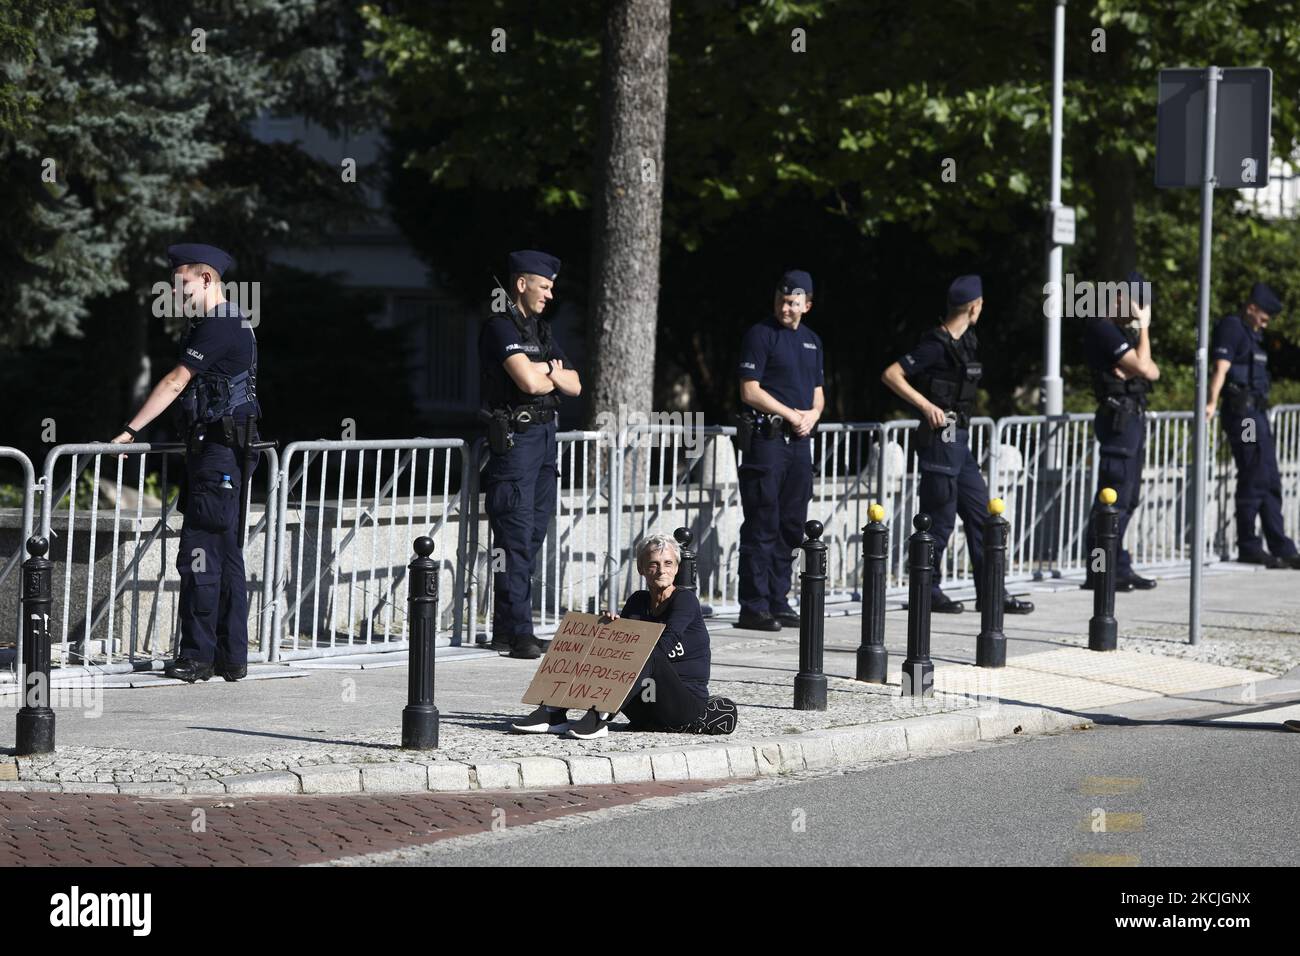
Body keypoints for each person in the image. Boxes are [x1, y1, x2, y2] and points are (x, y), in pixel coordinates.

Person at [110, 243, 260, 682]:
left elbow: (177, 381)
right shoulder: (234, 321)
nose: (176, 293)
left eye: (182, 284)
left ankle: (197, 657)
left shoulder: (219, 324)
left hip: (218, 455)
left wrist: (131, 430)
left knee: (199, 552)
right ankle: (230, 657)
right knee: (226, 553)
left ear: (207, 278)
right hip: (223, 453)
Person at [881, 274, 1034, 615]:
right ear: (974, 306)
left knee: (982, 516)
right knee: (940, 517)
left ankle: (992, 593)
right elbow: (891, 374)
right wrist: (926, 406)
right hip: (941, 433)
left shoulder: (968, 341)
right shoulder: (934, 344)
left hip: (958, 436)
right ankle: (926, 590)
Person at [510, 533, 738, 739]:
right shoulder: (638, 601)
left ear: (677, 568)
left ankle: (598, 719)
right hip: (644, 706)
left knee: (647, 652)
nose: (661, 571)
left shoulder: (684, 601)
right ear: (641, 568)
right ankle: (553, 712)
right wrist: (609, 630)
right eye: (654, 564)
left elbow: (663, 645)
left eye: (668, 564)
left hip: (682, 705)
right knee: (595, 642)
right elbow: (617, 650)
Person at [478, 250, 582, 659]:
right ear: (522, 284)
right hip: (517, 441)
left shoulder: (540, 330)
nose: (550, 295)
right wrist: (549, 375)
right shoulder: (500, 327)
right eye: (544, 286)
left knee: (534, 535)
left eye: (553, 287)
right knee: (515, 537)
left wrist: (550, 375)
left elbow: (575, 385)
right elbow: (527, 381)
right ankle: (519, 630)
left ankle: (508, 628)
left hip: (544, 440)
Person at [734, 269, 824, 631]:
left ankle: (778, 598)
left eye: (792, 302)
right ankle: (753, 605)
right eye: (781, 300)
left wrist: (812, 416)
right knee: (762, 522)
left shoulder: (813, 341)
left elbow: (818, 393)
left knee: (790, 525)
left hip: (799, 442)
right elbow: (749, 390)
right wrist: (790, 414)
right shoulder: (760, 334)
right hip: (767, 441)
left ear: (807, 305)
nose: (785, 308)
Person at [1206, 282, 1300, 568]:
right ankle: (1248, 544)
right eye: (1263, 316)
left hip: (1257, 414)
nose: (1265, 322)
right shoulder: (1232, 327)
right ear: (1251, 308)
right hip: (1243, 415)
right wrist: (1210, 403)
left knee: (1270, 478)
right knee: (1252, 473)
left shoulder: (1254, 335)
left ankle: (1281, 545)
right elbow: (1220, 368)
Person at [1082, 271, 1161, 591]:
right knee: (1111, 496)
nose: (1139, 311)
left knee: (1128, 499)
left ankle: (1117, 564)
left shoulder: (1122, 332)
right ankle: (1099, 568)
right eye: (1136, 304)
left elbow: (1152, 371)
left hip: (1132, 420)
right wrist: (1144, 329)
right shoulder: (1103, 328)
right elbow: (1143, 367)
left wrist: (1139, 348)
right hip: (1118, 420)